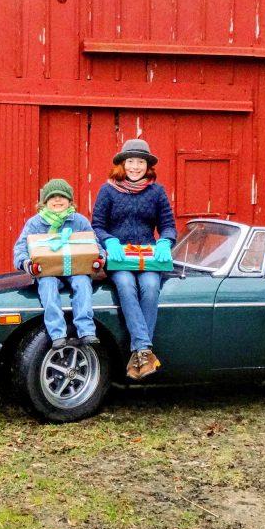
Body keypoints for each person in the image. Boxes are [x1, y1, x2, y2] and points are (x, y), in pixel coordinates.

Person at [92, 139, 176, 381]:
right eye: (131, 161)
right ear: (123, 164)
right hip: (119, 257)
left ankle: (140, 350)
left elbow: (168, 226)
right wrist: (109, 241)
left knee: (150, 287)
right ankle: (143, 350)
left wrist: (164, 242)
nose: (135, 166)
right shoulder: (107, 190)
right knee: (127, 286)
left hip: (149, 256)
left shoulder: (156, 192)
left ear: (147, 166)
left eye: (140, 162)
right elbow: (97, 225)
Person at [13, 178, 100, 350]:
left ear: (70, 201)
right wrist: (27, 264)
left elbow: (94, 243)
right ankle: (57, 333)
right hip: (48, 272)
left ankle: (86, 330)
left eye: (62, 196)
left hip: (76, 269)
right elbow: (20, 249)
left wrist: (99, 258)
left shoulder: (79, 221)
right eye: (53, 197)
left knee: (83, 283)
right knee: (47, 285)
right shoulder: (35, 223)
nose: (58, 200)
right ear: (44, 202)